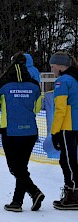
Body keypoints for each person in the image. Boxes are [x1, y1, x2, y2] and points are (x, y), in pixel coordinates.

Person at [0, 51, 45, 212]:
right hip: (30, 131)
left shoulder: (4, 85)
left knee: (15, 168)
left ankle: (31, 193)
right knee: (22, 167)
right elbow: (38, 108)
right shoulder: (34, 85)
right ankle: (19, 200)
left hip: (10, 131)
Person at [49, 52, 78, 210]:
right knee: (72, 159)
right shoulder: (75, 78)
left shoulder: (62, 81)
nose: (52, 69)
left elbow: (60, 109)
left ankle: (73, 193)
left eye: (52, 66)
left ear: (61, 66)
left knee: (67, 161)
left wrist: (55, 132)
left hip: (68, 126)